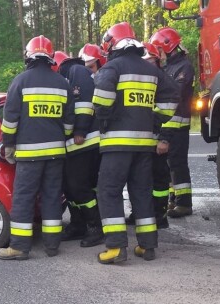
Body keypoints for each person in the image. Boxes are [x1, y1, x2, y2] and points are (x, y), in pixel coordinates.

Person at [92, 22, 179, 264]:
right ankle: (147, 247)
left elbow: (101, 101)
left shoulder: (112, 68)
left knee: (109, 192)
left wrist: (107, 120)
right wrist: (155, 121)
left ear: (111, 43)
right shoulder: (152, 70)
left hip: (117, 145)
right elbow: (173, 95)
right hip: (144, 144)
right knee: (141, 193)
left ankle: (116, 248)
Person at [0, 35, 75, 260]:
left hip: (29, 155)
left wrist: (8, 144)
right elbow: (70, 122)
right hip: (56, 154)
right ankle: (52, 246)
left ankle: (19, 247)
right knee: (52, 197)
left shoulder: (20, 82)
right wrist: (61, 136)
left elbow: (10, 120)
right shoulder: (63, 83)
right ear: (50, 57)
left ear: (28, 56)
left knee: (24, 198)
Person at [52, 51, 104, 247]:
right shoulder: (69, 74)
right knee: (69, 187)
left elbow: (83, 103)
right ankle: (78, 224)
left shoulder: (76, 71)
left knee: (78, 186)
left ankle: (95, 226)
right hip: (74, 145)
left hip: (85, 142)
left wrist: (80, 130)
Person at [126, 42, 176, 229]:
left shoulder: (164, 81)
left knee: (159, 179)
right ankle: (139, 213)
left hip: (158, 140)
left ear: (156, 61)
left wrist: (164, 139)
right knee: (140, 180)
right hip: (143, 141)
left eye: (149, 61)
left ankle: (159, 215)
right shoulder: (140, 81)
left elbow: (171, 115)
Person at [150, 27, 195, 218]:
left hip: (178, 125)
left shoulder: (183, 67)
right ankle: (173, 200)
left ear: (169, 47)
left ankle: (184, 204)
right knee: (168, 166)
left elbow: (175, 93)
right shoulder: (169, 67)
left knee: (177, 164)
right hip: (167, 125)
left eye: (159, 50)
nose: (158, 55)